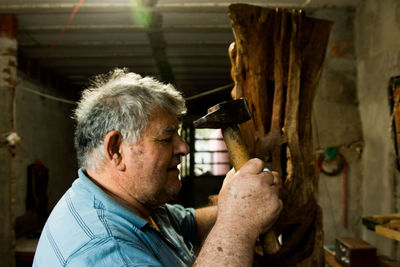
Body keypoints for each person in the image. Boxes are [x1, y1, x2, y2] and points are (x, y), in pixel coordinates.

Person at [33, 68, 283, 266]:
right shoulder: (104, 250)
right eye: (166, 139)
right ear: (116, 149)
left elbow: (191, 225)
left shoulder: (133, 206)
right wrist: (238, 223)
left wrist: (241, 198)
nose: (184, 148)